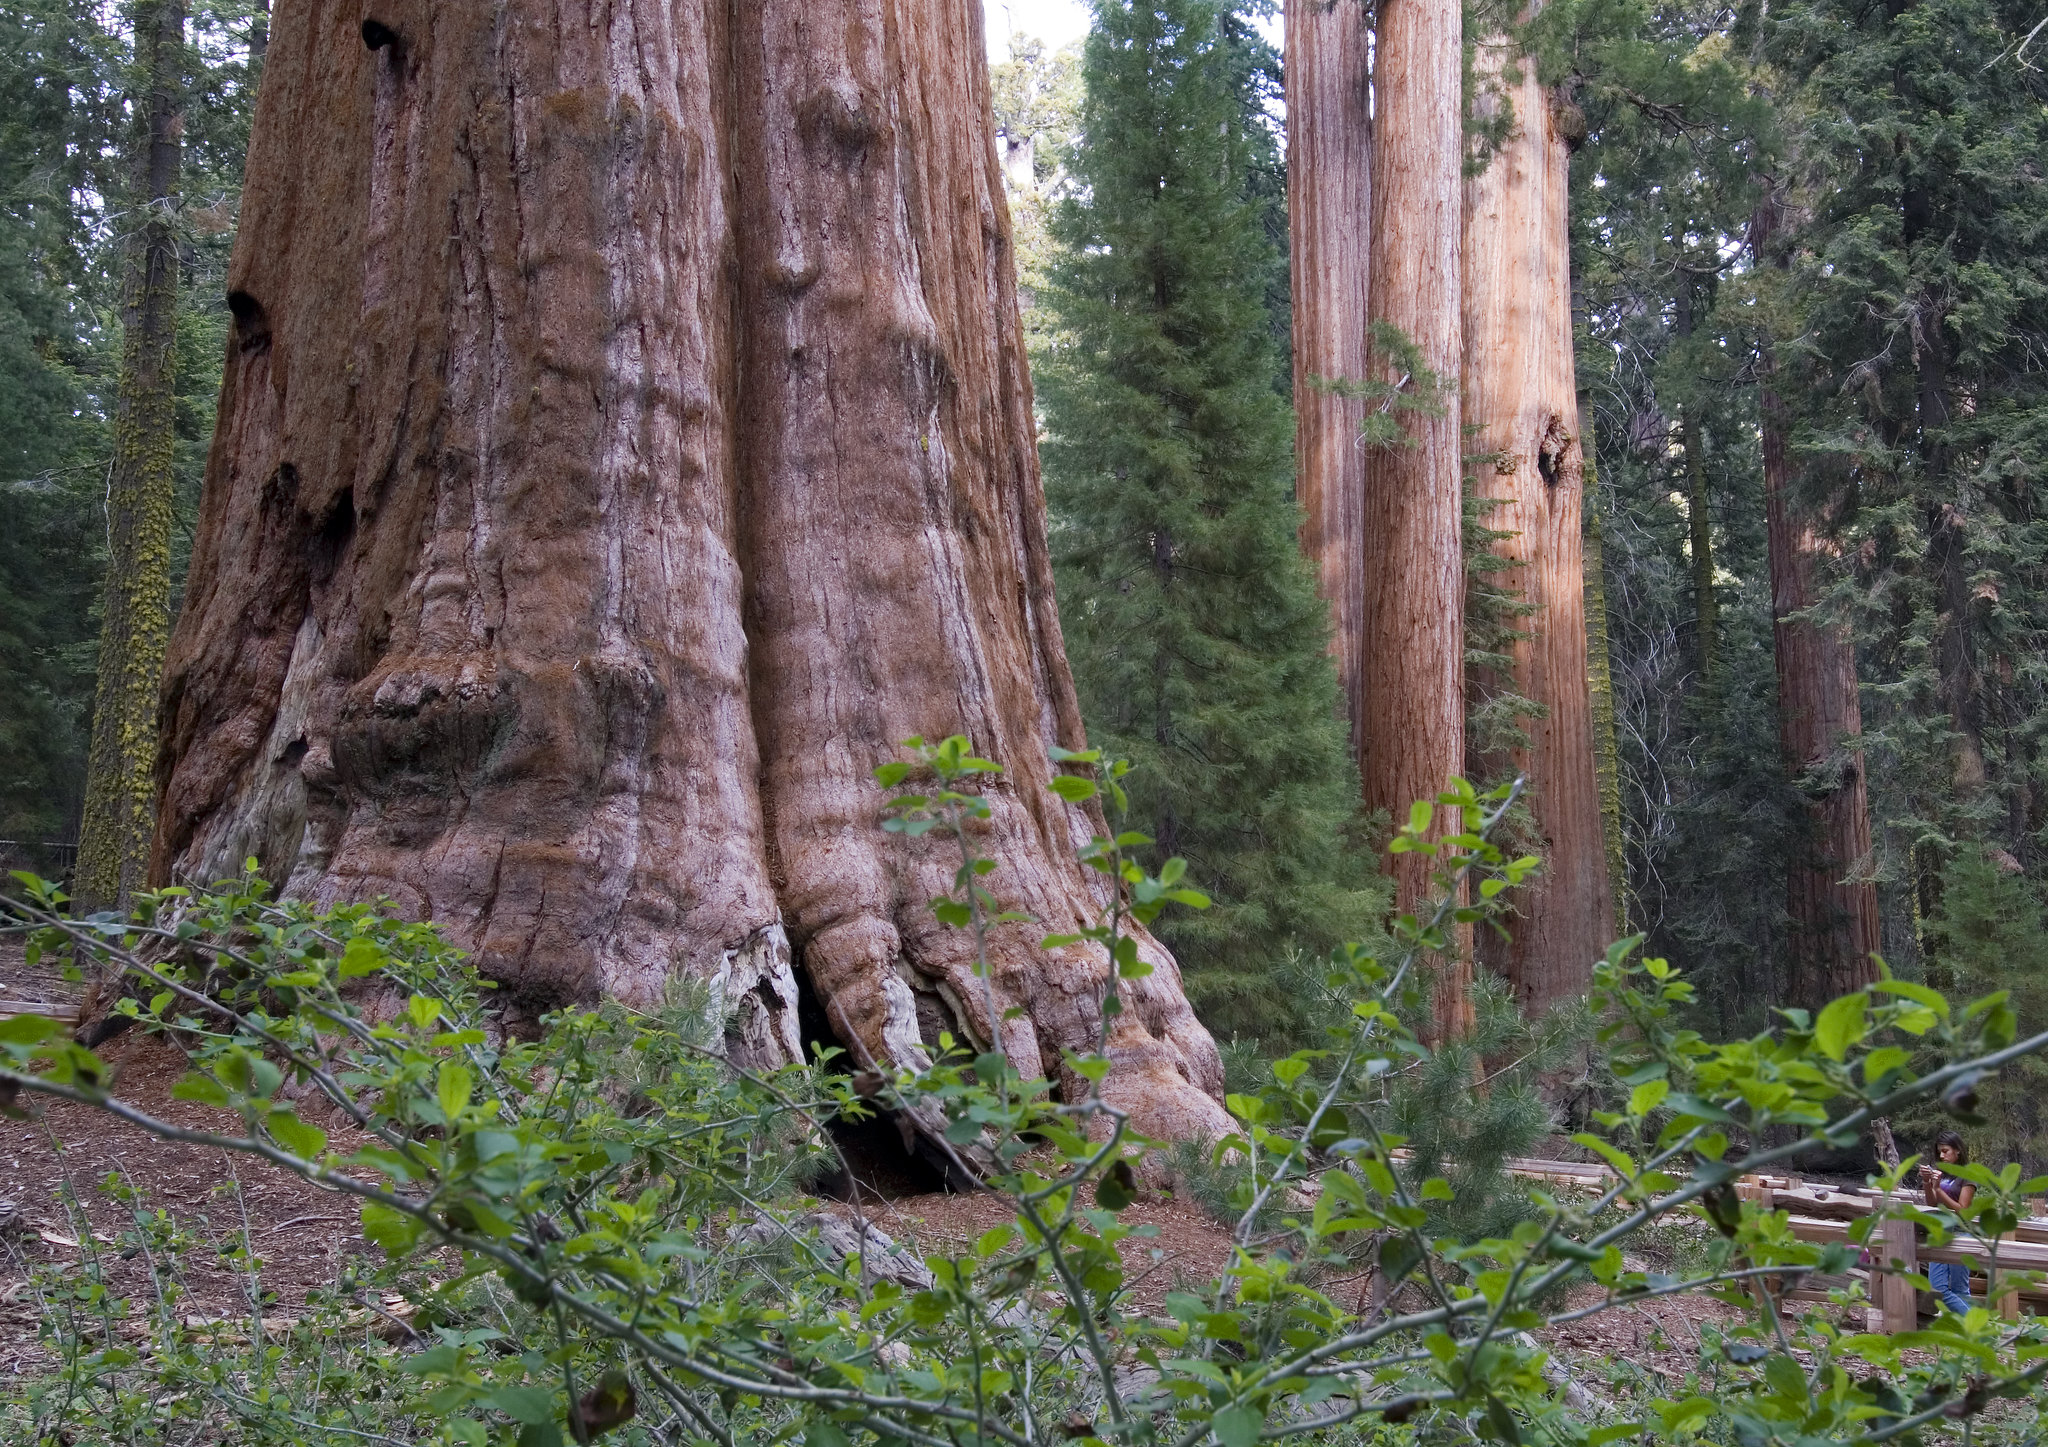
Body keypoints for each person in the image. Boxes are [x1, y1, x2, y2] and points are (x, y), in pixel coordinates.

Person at [1919, 1130, 1977, 1314]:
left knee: (1960, 1289)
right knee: (1938, 1288)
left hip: (1960, 1232)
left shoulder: (1968, 1174)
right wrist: (1928, 1183)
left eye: (1945, 1151)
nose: (1942, 1156)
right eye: (1939, 1152)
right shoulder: (1940, 1173)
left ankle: (1975, 1332)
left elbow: (1963, 1209)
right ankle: (1978, 1327)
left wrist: (1939, 1190)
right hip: (1940, 1232)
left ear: (1958, 1150)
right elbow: (1931, 1203)